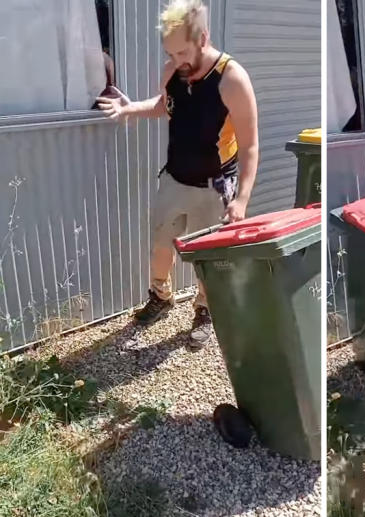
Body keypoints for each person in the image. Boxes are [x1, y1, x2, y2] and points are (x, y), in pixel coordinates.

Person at [96, 0, 259, 347]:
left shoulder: (232, 80)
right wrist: (130, 108)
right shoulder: (174, 71)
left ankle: (204, 310)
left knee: (206, 259)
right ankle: (161, 296)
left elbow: (250, 147)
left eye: (182, 52)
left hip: (214, 185)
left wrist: (242, 199)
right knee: (159, 245)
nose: (176, 62)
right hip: (174, 177)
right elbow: (165, 105)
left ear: (203, 38)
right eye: (170, 53)